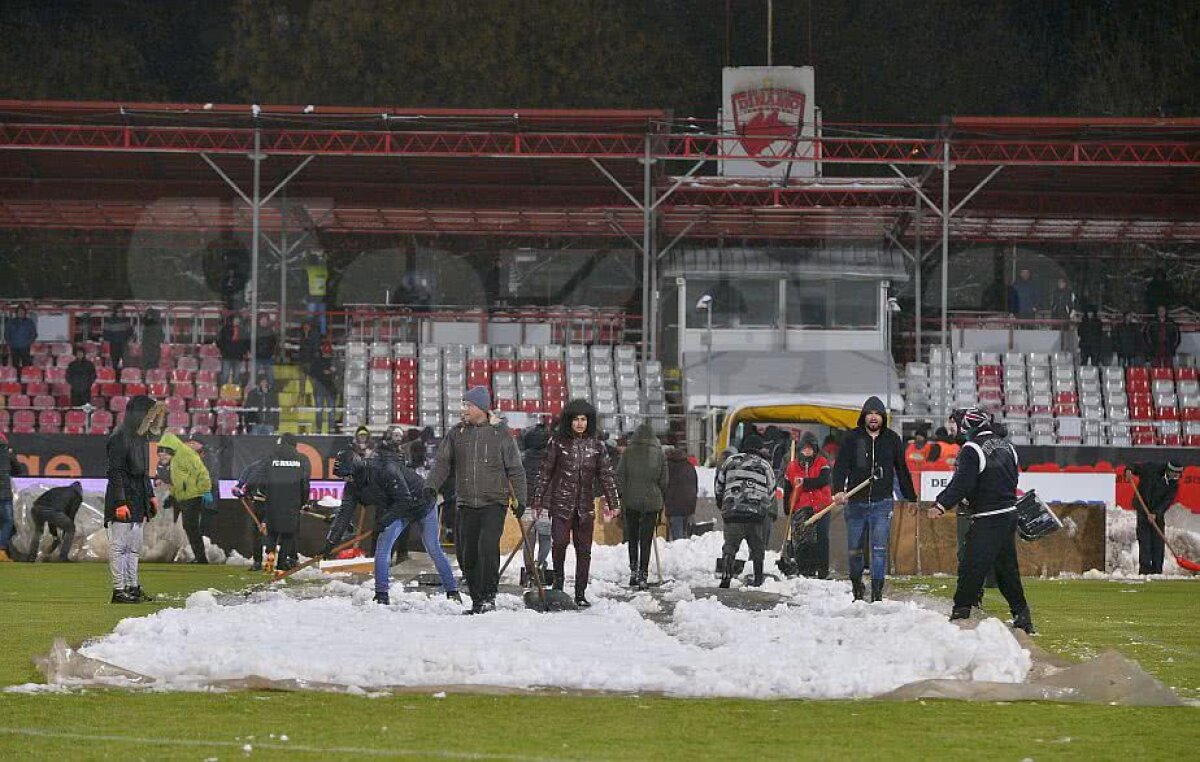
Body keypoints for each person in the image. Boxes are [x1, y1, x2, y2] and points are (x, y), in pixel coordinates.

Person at [927, 407, 1034, 635]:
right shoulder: (1008, 446)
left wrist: (941, 504)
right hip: (1008, 514)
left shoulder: (971, 448)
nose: (957, 430)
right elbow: (1013, 479)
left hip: (988, 517)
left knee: (971, 566)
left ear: (968, 426)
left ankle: (961, 612)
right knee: (1007, 570)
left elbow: (962, 483)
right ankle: (1022, 616)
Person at [424, 386, 527, 614]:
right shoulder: (457, 433)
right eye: (464, 405)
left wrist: (520, 499)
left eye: (468, 405)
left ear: (481, 407)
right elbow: (442, 463)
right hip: (466, 503)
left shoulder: (501, 433)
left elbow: (515, 469)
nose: (464, 409)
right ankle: (477, 599)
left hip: (494, 502)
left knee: (487, 549)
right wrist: (431, 486)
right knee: (466, 554)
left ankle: (488, 597)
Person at [530, 398, 622, 608]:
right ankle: (559, 584)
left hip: (585, 507)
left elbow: (606, 475)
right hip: (561, 505)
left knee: (584, 550)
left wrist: (614, 501)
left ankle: (580, 592)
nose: (580, 423)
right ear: (569, 421)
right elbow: (545, 473)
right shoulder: (557, 443)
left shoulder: (597, 446)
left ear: (589, 421)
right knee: (559, 544)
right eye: (576, 419)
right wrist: (537, 501)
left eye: (583, 419)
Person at [831, 396, 917, 602]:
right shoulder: (852, 438)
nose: (873, 417)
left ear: (883, 418)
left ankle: (877, 592)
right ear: (863, 416)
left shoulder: (892, 439)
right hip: (856, 503)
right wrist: (838, 490)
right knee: (854, 550)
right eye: (870, 413)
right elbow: (840, 466)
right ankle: (856, 584)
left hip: (882, 503)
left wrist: (911, 497)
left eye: (877, 414)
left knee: (879, 550)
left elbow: (902, 469)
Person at [105, 396, 166, 602]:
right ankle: (118, 590)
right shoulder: (119, 438)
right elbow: (115, 473)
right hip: (124, 498)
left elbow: (143, 473)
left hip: (138, 497)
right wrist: (120, 502)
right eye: (149, 416)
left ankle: (132, 587)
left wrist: (151, 496)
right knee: (119, 547)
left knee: (133, 548)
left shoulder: (140, 438)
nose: (152, 420)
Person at [714, 440, 780, 588]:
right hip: (755, 515)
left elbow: (719, 485)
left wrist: (722, 503)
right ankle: (758, 579)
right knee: (757, 547)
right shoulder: (764, 465)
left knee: (730, 545)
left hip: (732, 511)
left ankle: (726, 576)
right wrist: (764, 508)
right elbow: (772, 490)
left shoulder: (730, 461)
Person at [616, 422, 668, 589]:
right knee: (646, 540)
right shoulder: (659, 454)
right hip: (652, 501)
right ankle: (643, 575)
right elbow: (664, 480)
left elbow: (620, 476)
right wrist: (658, 494)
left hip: (631, 500)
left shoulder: (628, 452)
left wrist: (622, 494)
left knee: (632, 537)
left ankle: (633, 571)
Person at [157, 432, 214, 564]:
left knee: (190, 526)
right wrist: (172, 496)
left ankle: (201, 559)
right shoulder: (177, 457)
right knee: (190, 527)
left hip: (192, 495)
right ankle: (200, 558)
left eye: (164, 453)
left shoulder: (186, 455)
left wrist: (205, 490)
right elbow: (178, 480)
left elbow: (202, 472)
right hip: (184, 495)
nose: (162, 456)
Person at [782, 433, 832, 578]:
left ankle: (822, 570)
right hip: (801, 506)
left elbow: (823, 480)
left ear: (815, 449)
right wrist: (787, 507)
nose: (807, 451)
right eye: (805, 448)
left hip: (822, 506)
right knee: (802, 538)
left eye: (810, 448)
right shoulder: (792, 466)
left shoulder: (822, 462)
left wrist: (805, 483)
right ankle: (804, 569)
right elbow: (788, 487)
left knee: (822, 537)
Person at [261, 433, 309, 571]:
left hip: (273, 502)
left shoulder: (271, 458)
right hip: (292, 502)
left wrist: (267, 494)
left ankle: (270, 560)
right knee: (288, 535)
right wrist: (303, 501)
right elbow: (304, 483)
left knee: (272, 533)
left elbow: (262, 480)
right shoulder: (301, 460)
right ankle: (281, 563)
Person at [1127, 461, 1183, 575]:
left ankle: (1157, 572)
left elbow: (1166, 502)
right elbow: (1134, 466)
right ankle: (1145, 571)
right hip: (1143, 509)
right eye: (1175, 474)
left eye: (1178, 475)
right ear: (1169, 470)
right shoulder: (1151, 469)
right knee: (1145, 542)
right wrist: (1129, 470)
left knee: (1158, 543)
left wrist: (1156, 513)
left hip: (1157, 514)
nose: (1176, 477)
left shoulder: (1174, 485)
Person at [519, 424, 553, 580]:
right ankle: (540, 563)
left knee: (529, 538)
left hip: (527, 503)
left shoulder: (523, 458)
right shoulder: (552, 459)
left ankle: (529, 569)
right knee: (545, 537)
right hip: (545, 504)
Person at [32, 482, 84, 563]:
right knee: (71, 529)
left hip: (36, 509)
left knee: (38, 532)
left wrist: (55, 535)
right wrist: (65, 534)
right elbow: (71, 515)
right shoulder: (77, 496)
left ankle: (31, 556)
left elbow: (50, 517)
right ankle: (63, 557)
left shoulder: (57, 489)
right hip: (52, 511)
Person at [232, 458, 269, 571]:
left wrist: (266, 521)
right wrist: (240, 487)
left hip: (273, 503)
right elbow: (248, 473)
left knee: (272, 534)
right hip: (260, 503)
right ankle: (258, 561)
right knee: (257, 532)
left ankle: (277, 561)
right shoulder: (258, 466)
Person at [663, 442, 698, 541]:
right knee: (687, 538)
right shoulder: (689, 466)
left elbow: (664, 485)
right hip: (689, 506)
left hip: (674, 508)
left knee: (678, 540)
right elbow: (695, 485)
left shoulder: (668, 468)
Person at [0, 433, 25, 562]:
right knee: (7, 521)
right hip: (4, 493)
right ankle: (1, 551)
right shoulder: (8, 453)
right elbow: (19, 471)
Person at [308, 340, 338, 434]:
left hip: (331, 389)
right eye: (325, 353)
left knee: (331, 411)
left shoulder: (335, 361)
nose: (326, 355)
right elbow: (311, 375)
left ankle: (331, 430)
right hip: (320, 389)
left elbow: (339, 374)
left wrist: (333, 374)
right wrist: (315, 384)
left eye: (328, 353)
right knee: (319, 410)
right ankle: (318, 430)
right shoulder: (317, 361)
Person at [216, 312, 249, 387]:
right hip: (227, 356)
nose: (237, 321)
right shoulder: (225, 329)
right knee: (225, 376)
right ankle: (222, 391)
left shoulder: (242, 330)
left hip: (238, 356)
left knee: (236, 377)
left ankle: (235, 392)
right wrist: (223, 349)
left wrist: (243, 351)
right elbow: (219, 341)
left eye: (238, 320)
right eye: (236, 319)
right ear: (231, 320)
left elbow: (246, 342)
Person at [102, 304, 134, 372]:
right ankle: (116, 375)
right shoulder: (109, 321)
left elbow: (130, 332)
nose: (121, 313)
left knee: (125, 362)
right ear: (115, 312)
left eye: (122, 311)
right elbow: (105, 334)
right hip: (114, 344)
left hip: (124, 344)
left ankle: (124, 375)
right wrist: (112, 339)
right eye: (119, 311)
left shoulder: (126, 321)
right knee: (115, 362)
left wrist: (128, 339)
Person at [5, 305, 37, 371]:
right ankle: (16, 377)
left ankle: (25, 376)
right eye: (19, 311)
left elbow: (34, 334)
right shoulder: (11, 322)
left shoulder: (29, 322)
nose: (21, 313)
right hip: (14, 347)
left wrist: (28, 343)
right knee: (15, 365)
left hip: (25, 347)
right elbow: (6, 334)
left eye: (22, 311)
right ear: (16, 312)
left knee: (26, 365)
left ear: (25, 312)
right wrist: (10, 343)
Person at [254, 314, 278, 388]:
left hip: (268, 356)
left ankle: (272, 388)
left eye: (265, 320)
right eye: (262, 319)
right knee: (254, 374)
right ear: (259, 321)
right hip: (257, 356)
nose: (264, 321)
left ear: (268, 321)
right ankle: (252, 388)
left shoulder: (271, 331)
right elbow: (250, 342)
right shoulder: (255, 330)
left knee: (270, 374)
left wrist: (272, 353)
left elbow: (274, 343)